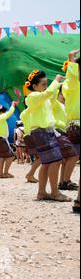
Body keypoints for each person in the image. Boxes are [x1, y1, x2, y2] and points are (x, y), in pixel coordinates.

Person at [24, 71, 70, 202]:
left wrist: (59, 84)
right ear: (34, 86)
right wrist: (56, 81)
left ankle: (42, 192)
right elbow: (48, 93)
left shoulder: (41, 97)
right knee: (55, 161)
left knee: (46, 163)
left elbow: (51, 95)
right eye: (43, 84)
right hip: (42, 132)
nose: (46, 86)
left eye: (46, 84)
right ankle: (55, 192)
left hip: (44, 131)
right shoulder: (32, 97)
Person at [61, 49, 80, 213]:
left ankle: (78, 200)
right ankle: (65, 181)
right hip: (77, 125)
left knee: (71, 157)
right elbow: (73, 75)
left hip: (72, 126)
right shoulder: (74, 83)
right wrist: (71, 59)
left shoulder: (70, 86)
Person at [0, 103, 17, 179]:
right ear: (1, 111)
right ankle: (5, 173)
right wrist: (13, 105)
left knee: (2, 157)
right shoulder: (1, 117)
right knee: (11, 156)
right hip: (2, 139)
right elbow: (10, 112)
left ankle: (1, 174)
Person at [20, 107, 41, 183]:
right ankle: (30, 174)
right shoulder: (34, 110)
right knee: (41, 157)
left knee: (37, 157)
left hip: (27, 135)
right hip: (33, 135)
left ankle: (31, 175)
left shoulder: (23, 113)